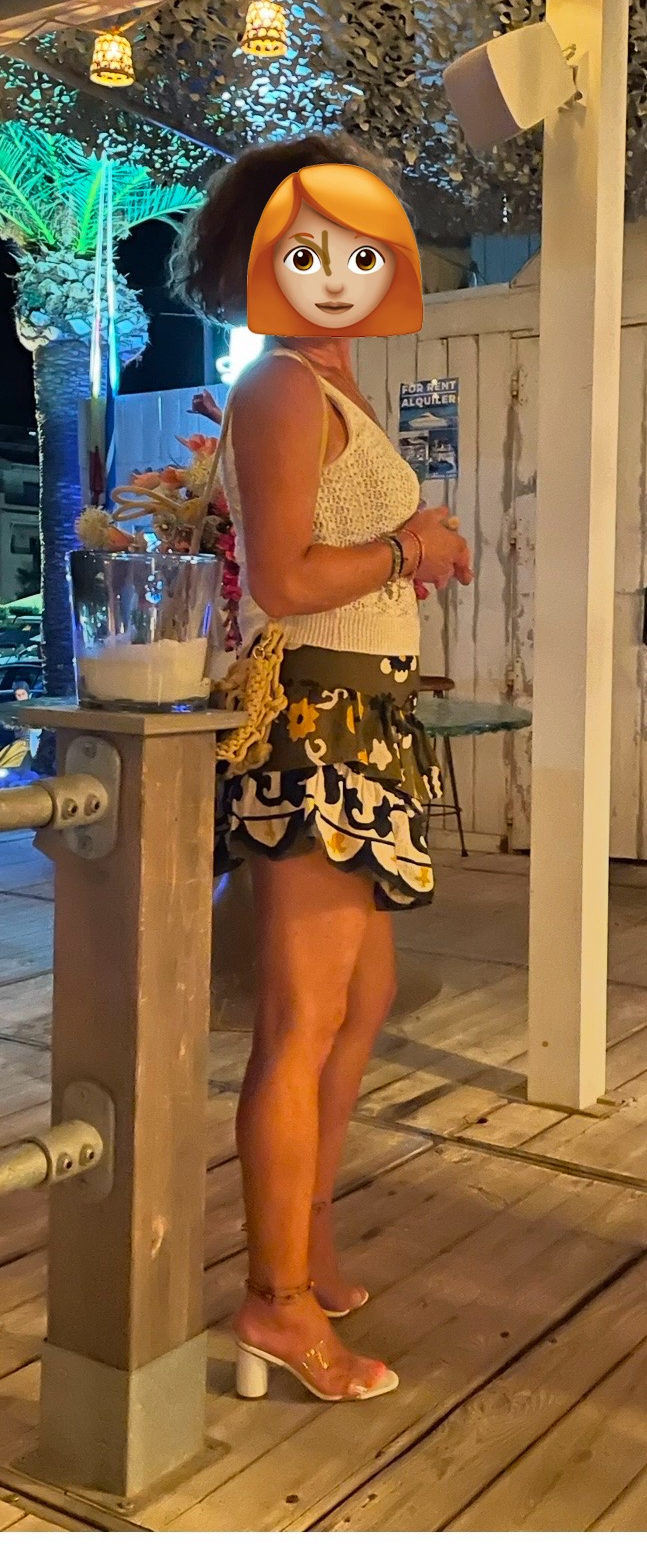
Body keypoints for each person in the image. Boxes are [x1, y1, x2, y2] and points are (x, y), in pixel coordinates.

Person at [175, 132, 472, 1404]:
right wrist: (411, 549)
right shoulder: (281, 387)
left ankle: (306, 1249)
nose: (342, 271)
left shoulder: (323, 385)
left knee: (355, 1004)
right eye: (311, 250)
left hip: (363, 720)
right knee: (301, 1019)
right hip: (312, 724)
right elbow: (288, 580)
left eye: (360, 248)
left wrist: (409, 552)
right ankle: (275, 1298)